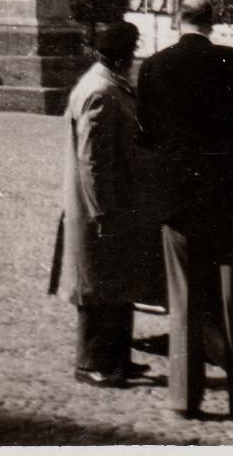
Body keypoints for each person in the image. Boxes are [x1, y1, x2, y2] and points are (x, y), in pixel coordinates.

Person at [136, 0, 233, 423]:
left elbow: (145, 136)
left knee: (184, 302)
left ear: (177, 20)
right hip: (228, 195)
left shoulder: (153, 66)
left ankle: (184, 399)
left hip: (178, 199)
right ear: (212, 21)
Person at [56, 20, 149, 387]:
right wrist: (102, 210)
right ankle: (91, 363)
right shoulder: (99, 91)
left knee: (117, 280)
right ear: (123, 56)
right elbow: (92, 160)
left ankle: (117, 358)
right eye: (132, 52)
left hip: (117, 201)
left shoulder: (109, 84)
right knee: (95, 284)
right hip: (101, 207)